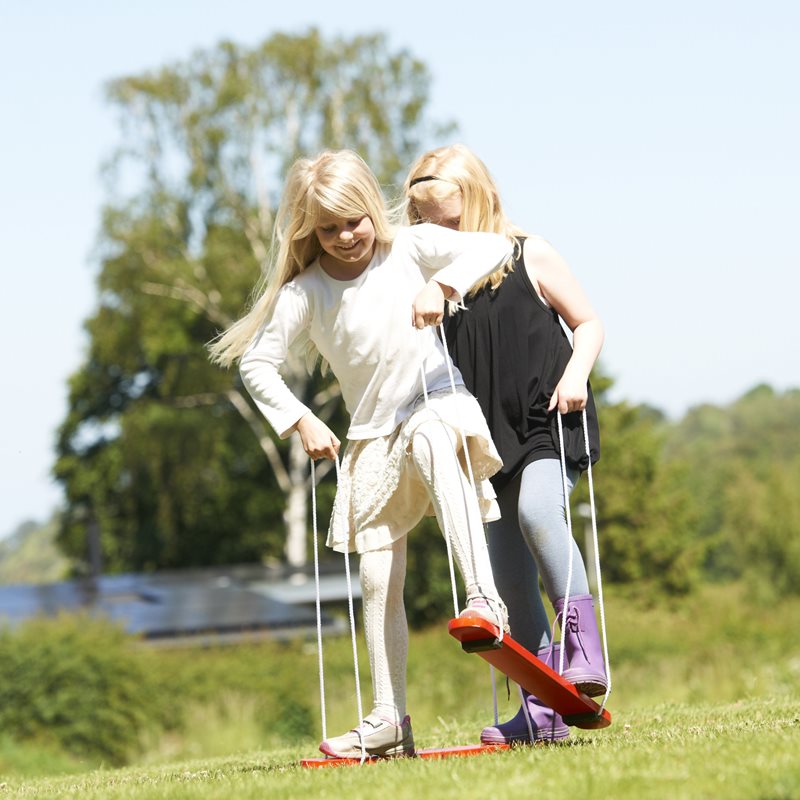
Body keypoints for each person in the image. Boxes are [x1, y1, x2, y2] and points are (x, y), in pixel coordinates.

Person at [209, 149, 513, 759]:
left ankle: (485, 599)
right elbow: (257, 364)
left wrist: (442, 285)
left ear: (373, 210)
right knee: (377, 577)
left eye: (355, 221)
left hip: (435, 399)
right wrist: (300, 418)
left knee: (431, 439)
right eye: (329, 228)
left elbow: (494, 247)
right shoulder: (306, 292)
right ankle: (388, 720)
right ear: (310, 230)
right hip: (372, 434)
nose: (346, 236)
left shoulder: (410, 248)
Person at [404, 144, 607, 746]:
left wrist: (576, 375)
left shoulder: (527, 253)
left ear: (481, 201)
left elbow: (589, 323)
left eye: (450, 222)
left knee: (538, 514)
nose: (442, 235)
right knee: (507, 574)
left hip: (547, 416)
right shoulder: (434, 288)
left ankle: (583, 650)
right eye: (428, 226)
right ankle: (543, 708)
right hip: (486, 437)